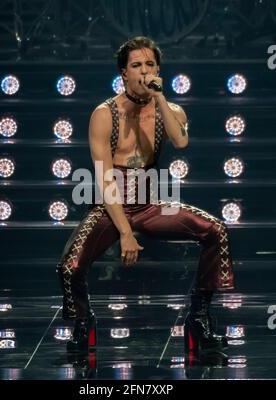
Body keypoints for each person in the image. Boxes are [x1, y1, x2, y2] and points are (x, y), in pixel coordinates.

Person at [57, 36, 235, 356]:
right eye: (136, 65)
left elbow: (180, 143)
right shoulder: (104, 113)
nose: (143, 71)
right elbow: (104, 178)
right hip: (112, 204)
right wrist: (125, 232)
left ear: (158, 69)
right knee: (70, 266)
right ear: (123, 73)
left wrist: (160, 98)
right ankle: (83, 322)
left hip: (151, 202)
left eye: (149, 64)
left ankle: (199, 318)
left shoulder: (171, 109)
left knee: (216, 230)